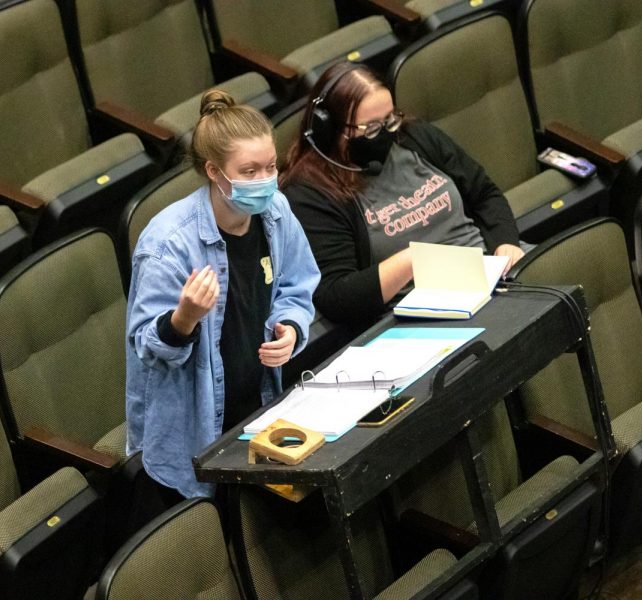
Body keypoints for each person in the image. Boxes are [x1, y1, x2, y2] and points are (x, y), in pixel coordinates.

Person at [125, 90, 320, 503]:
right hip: (193, 433)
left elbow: (298, 285)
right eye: (248, 171)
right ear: (215, 171)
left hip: (260, 406)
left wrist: (292, 328)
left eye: (269, 167)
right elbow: (145, 345)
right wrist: (184, 318)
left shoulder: (277, 211)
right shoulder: (167, 244)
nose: (264, 180)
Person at [281, 62, 525, 326]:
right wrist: (411, 261)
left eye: (389, 120)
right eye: (372, 128)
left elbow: (484, 193)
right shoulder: (310, 192)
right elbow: (337, 295)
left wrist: (506, 242)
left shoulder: (413, 135)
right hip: (426, 310)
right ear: (331, 130)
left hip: (491, 272)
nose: (386, 133)